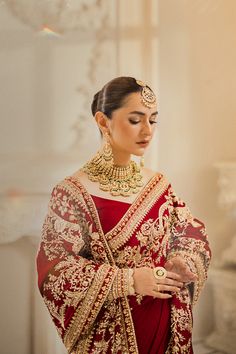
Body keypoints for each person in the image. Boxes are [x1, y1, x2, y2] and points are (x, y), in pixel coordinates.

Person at [36, 76, 211, 354]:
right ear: (103, 122)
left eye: (153, 120)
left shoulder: (159, 185)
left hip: (165, 324)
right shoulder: (71, 193)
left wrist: (182, 260)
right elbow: (56, 271)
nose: (148, 130)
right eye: (135, 119)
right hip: (110, 335)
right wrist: (129, 281)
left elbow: (191, 233)